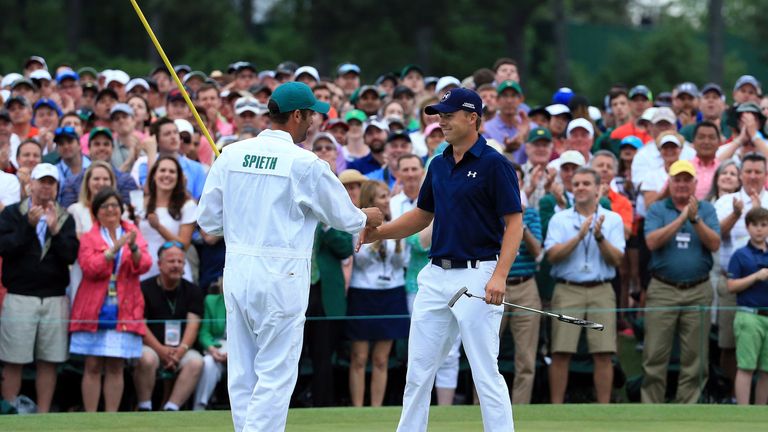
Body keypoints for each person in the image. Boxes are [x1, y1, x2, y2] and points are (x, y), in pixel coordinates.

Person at [196, 81, 383, 432]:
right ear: (297, 115)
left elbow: (208, 221)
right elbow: (343, 217)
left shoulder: (231, 154)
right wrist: (367, 216)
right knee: (276, 371)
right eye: (311, 115)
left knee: (243, 370)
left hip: (238, 270)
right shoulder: (306, 163)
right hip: (282, 274)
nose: (313, 122)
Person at [361, 88, 523, 432]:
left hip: (479, 273)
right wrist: (382, 232)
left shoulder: (495, 164)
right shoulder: (438, 163)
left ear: (473, 117)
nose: (442, 121)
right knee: (418, 370)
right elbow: (422, 215)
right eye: (439, 115)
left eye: (448, 115)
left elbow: (514, 224)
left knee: (484, 371)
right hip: (435, 275)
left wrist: (500, 276)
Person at [0, 163, 79, 413]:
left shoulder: (65, 217)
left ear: (56, 187)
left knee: (49, 361)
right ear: (30, 184)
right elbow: (5, 247)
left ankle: (43, 416)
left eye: (51, 182)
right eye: (42, 181)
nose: (46, 187)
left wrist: (55, 231)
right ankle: (10, 410)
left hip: (54, 297)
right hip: (20, 295)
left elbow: (70, 256)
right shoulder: (13, 213)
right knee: (13, 359)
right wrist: (27, 226)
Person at [642, 160, 721, 403]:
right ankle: (650, 411)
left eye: (687, 179)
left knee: (696, 357)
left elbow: (715, 243)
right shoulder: (658, 209)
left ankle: (688, 411)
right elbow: (652, 242)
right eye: (678, 179)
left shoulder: (706, 209)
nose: (682, 184)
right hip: (663, 288)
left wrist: (695, 219)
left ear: (695, 184)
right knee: (655, 353)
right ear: (670, 182)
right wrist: (682, 218)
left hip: (698, 288)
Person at [545, 167, 625, 404]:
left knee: (603, 353)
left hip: (601, 288)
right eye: (577, 184)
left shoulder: (613, 219)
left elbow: (617, 259)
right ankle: (556, 410)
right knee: (561, 351)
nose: (580, 188)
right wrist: (580, 236)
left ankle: (603, 410)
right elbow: (552, 256)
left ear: (599, 188)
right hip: (568, 288)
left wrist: (599, 237)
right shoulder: (560, 218)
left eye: (586, 184)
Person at [69, 188, 152, 412]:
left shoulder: (132, 231)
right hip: (95, 306)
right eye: (105, 206)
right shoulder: (89, 237)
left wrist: (132, 246)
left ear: (121, 209)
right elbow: (90, 267)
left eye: (115, 205)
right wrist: (114, 249)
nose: (111, 210)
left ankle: (111, 418)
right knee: (93, 364)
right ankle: (91, 417)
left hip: (124, 306)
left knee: (116, 364)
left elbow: (144, 264)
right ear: (96, 211)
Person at [347, 181, 409, 407]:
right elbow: (359, 259)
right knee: (359, 358)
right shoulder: (355, 226)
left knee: (382, 359)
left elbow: (403, 262)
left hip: (392, 292)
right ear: (370, 201)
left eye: (387, 196)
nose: (387, 200)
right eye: (382, 197)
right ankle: (357, 410)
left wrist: (396, 239)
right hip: (363, 292)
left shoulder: (396, 225)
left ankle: (376, 410)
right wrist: (375, 235)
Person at [133, 242, 204, 411]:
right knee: (145, 358)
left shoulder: (193, 291)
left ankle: (172, 407)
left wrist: (179, 352)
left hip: (181, 350)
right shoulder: (143, 288)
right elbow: (140, 324)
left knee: (196, 362)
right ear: (160, 265)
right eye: (172, 261)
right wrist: (161, 351)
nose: (176, 266)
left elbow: (193, 325)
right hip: (152, 348)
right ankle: (145, 406)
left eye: (180, 262)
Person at [501, 162, 543, 404]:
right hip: (495, 285)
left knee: (526, 357)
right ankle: (480, 410)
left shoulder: (533, 213)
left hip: (526, 285)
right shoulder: (489, 212)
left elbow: (537, 251)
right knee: (485, 354)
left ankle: (521, 411)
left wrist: (520, 222)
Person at [726, 207, 768, 405]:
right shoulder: (740, 255)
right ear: (747, 227)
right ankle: (743, 414)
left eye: (764, 225)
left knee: (766, 370)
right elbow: (731, 286)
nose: (759, 230)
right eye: (755, 225)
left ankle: (760, 415)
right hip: (749, 315)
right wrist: (755, 277)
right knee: (746, 367)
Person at [138, 155, 197, 282]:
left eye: (172, 171)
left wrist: (159, 227)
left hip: (173, 271)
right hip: (144, 269)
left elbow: (184, 245)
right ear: (154, 175)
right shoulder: (141, 202)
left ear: (178, 177)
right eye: (162, 170)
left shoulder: (187, 205)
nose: (167, 175)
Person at [193, 278, 227, 411]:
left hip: (243, 351)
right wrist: (212, 349)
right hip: (218, 348)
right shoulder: (211, 301)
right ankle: (199, 407)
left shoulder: (252, 303)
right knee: (208, 362)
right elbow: (204, 333)